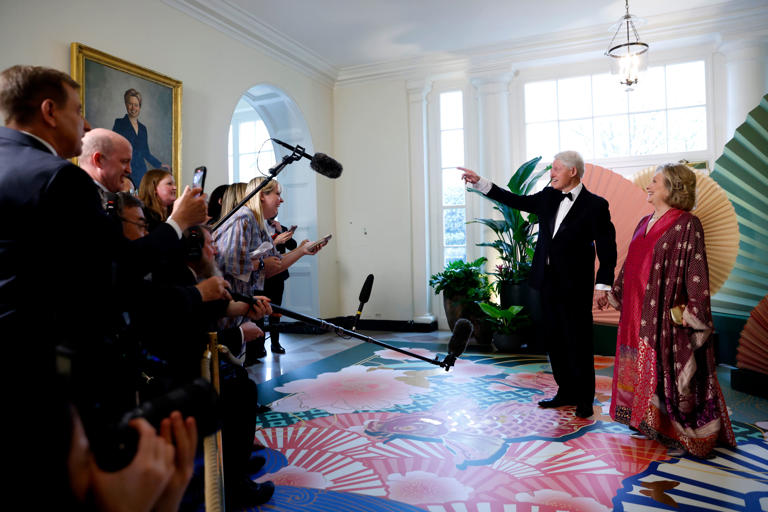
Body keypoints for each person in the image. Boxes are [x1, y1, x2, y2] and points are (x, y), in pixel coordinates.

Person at [0, 64, 196, 511]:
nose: (86, 123)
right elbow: (118, 267)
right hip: (48, 358)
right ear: (49, 111)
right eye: (79, 110)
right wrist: (177, 224)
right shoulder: (58, 177)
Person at [461, 151, 617, 418]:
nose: (551, 173)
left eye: (556, 169)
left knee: (578, 342)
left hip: (575, 285)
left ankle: (583, 398)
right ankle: (565, 391)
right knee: (554, 340)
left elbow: (607, 247)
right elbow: (513, 199)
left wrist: (602, 285)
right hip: (545, 283)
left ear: (573, 172)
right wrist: (480, 182)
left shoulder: (596, 205)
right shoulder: (547, 197)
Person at [597, 163, 736, 457]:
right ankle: (643, 418)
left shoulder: (687, 223)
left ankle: (669, 425)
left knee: (663, 365)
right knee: (636, 361)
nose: (649, 185)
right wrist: (612, 293)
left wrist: (694, 312)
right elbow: (629, 265)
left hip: (662, 311)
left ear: (672, 187)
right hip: (634, 311)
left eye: (655, 181)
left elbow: (696, 269)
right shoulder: (643, 221)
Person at [214, 177, 325, 363]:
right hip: (225, 308)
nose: (281, 200)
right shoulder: (243, 216)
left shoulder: (260, 223)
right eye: (277, 194)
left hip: (238, 310)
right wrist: (262, 264)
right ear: (261, 196)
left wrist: (302, 251)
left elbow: (276, 264)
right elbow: (227, 262)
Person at [112, 88, 165, 186]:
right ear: (126, 105)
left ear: (139, 107)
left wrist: (159, 164)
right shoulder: (119, 123)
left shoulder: (143, 129)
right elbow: (114, 148)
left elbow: (146, 152)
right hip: (125, 171)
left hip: (141, 173)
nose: (133, 108)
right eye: (130, 104)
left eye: (136, 105)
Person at [263, 217, 298, 354]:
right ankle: (259, 346)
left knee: (276, 309)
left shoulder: (281, 228)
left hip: (278, 275)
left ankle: (275, 343)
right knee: (260, 309)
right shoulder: (258, 228)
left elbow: (293, 246)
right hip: (262, 275)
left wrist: (280, 231)